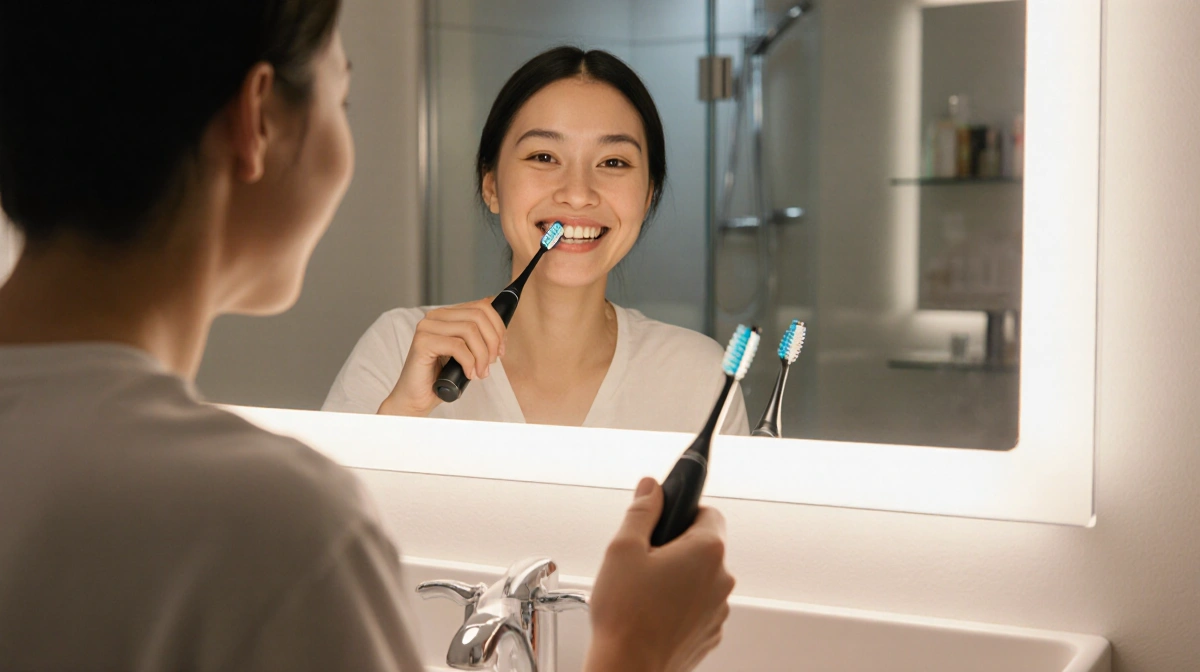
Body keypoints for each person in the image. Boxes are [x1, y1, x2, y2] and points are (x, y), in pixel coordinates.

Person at [0, 2, 734, 671]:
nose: (578, 189)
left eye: (613, 162)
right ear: (258, 118)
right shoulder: (275, 527)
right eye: (342, 100)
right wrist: (635, 652)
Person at [322, 47, 750, 435]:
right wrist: (402, 413)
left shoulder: (700, 376)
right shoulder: (399, 347)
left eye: (614, 161)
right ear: (491, 185)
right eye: (544, 157)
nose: (578, 193)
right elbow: (318, 521)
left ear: (648, 195)